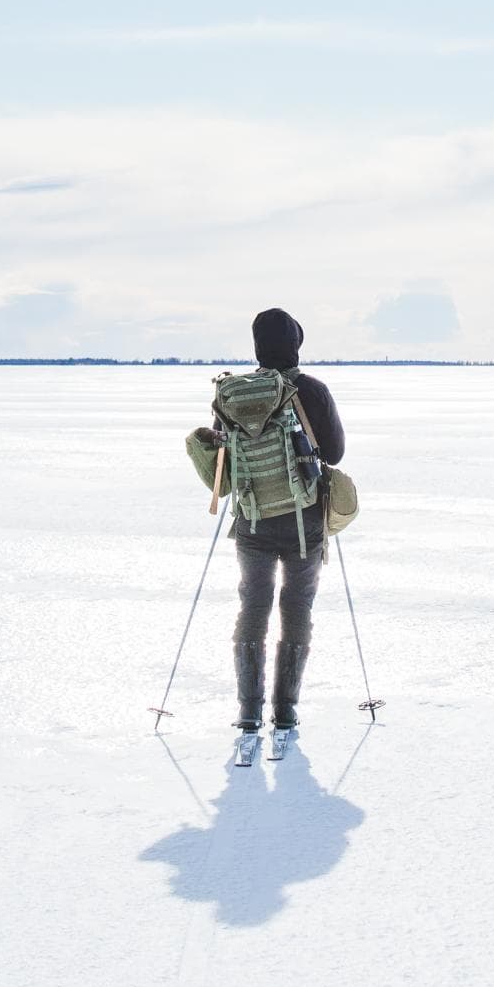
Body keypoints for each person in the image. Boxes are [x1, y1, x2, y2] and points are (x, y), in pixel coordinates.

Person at [193, 308, 345, 760]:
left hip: (252, 524)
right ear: (296, 344)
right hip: (304, 524)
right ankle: (286, 714)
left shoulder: (233, 393)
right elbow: (334, 452)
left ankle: (248, 714)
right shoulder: (311, 390)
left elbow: (225, 462)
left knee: (252, 609)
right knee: (296, 608)